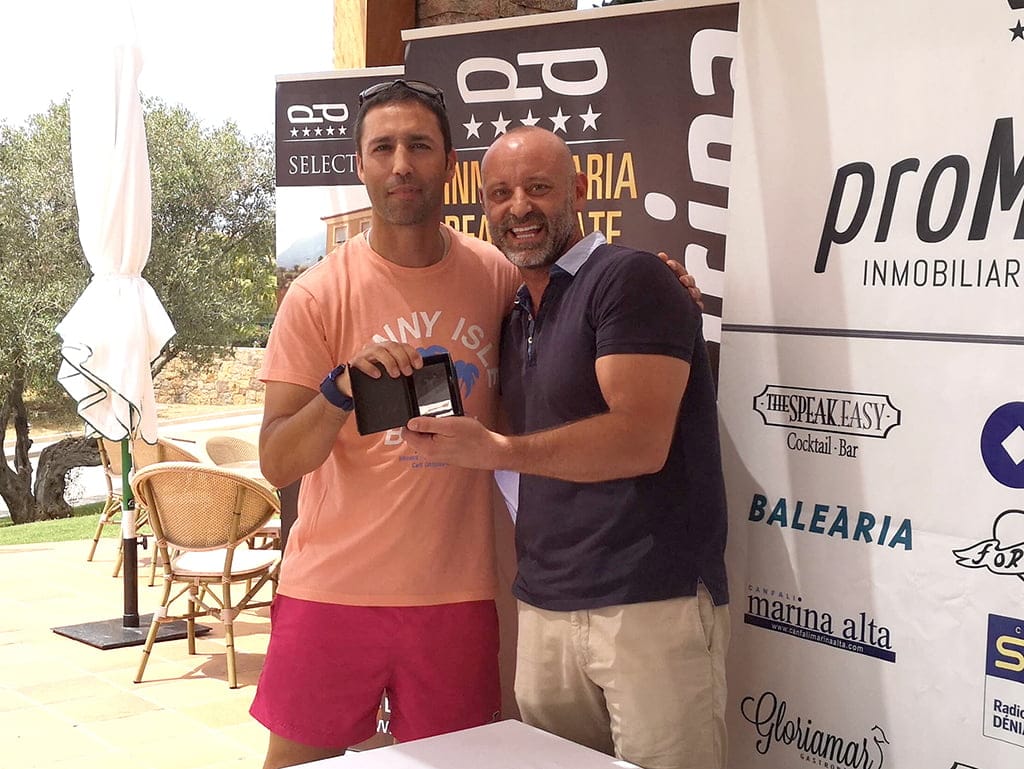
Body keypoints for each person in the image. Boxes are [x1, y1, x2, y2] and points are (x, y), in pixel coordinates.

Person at [251, 79, 701, 768]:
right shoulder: (317, 294)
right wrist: (340, 390)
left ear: (449, 164)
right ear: (361, 165)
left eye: (419, 145)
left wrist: (664, 284)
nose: (402, 163)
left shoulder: (497, 274)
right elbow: (278, 460)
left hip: (459, 596)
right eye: (383, 148)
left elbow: (586, 302)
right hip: (331, 589)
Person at [406, 126, 730, 769]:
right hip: (546, 603)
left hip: (648, 601)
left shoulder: (630, 279)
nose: (519, 207)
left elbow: (639, 440)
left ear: (578, 192)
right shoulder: (517, 311)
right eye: (501, 193)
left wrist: (496, 450)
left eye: (539, 187)